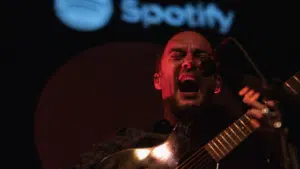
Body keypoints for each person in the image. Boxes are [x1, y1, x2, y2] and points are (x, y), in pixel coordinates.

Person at [66, 31, 280, 169]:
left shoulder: (251, 145)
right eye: (177, 55)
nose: (189, 62)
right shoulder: (128, 146)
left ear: (216, 83)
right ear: (158, 81)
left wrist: (271, 143)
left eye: (201, 57)